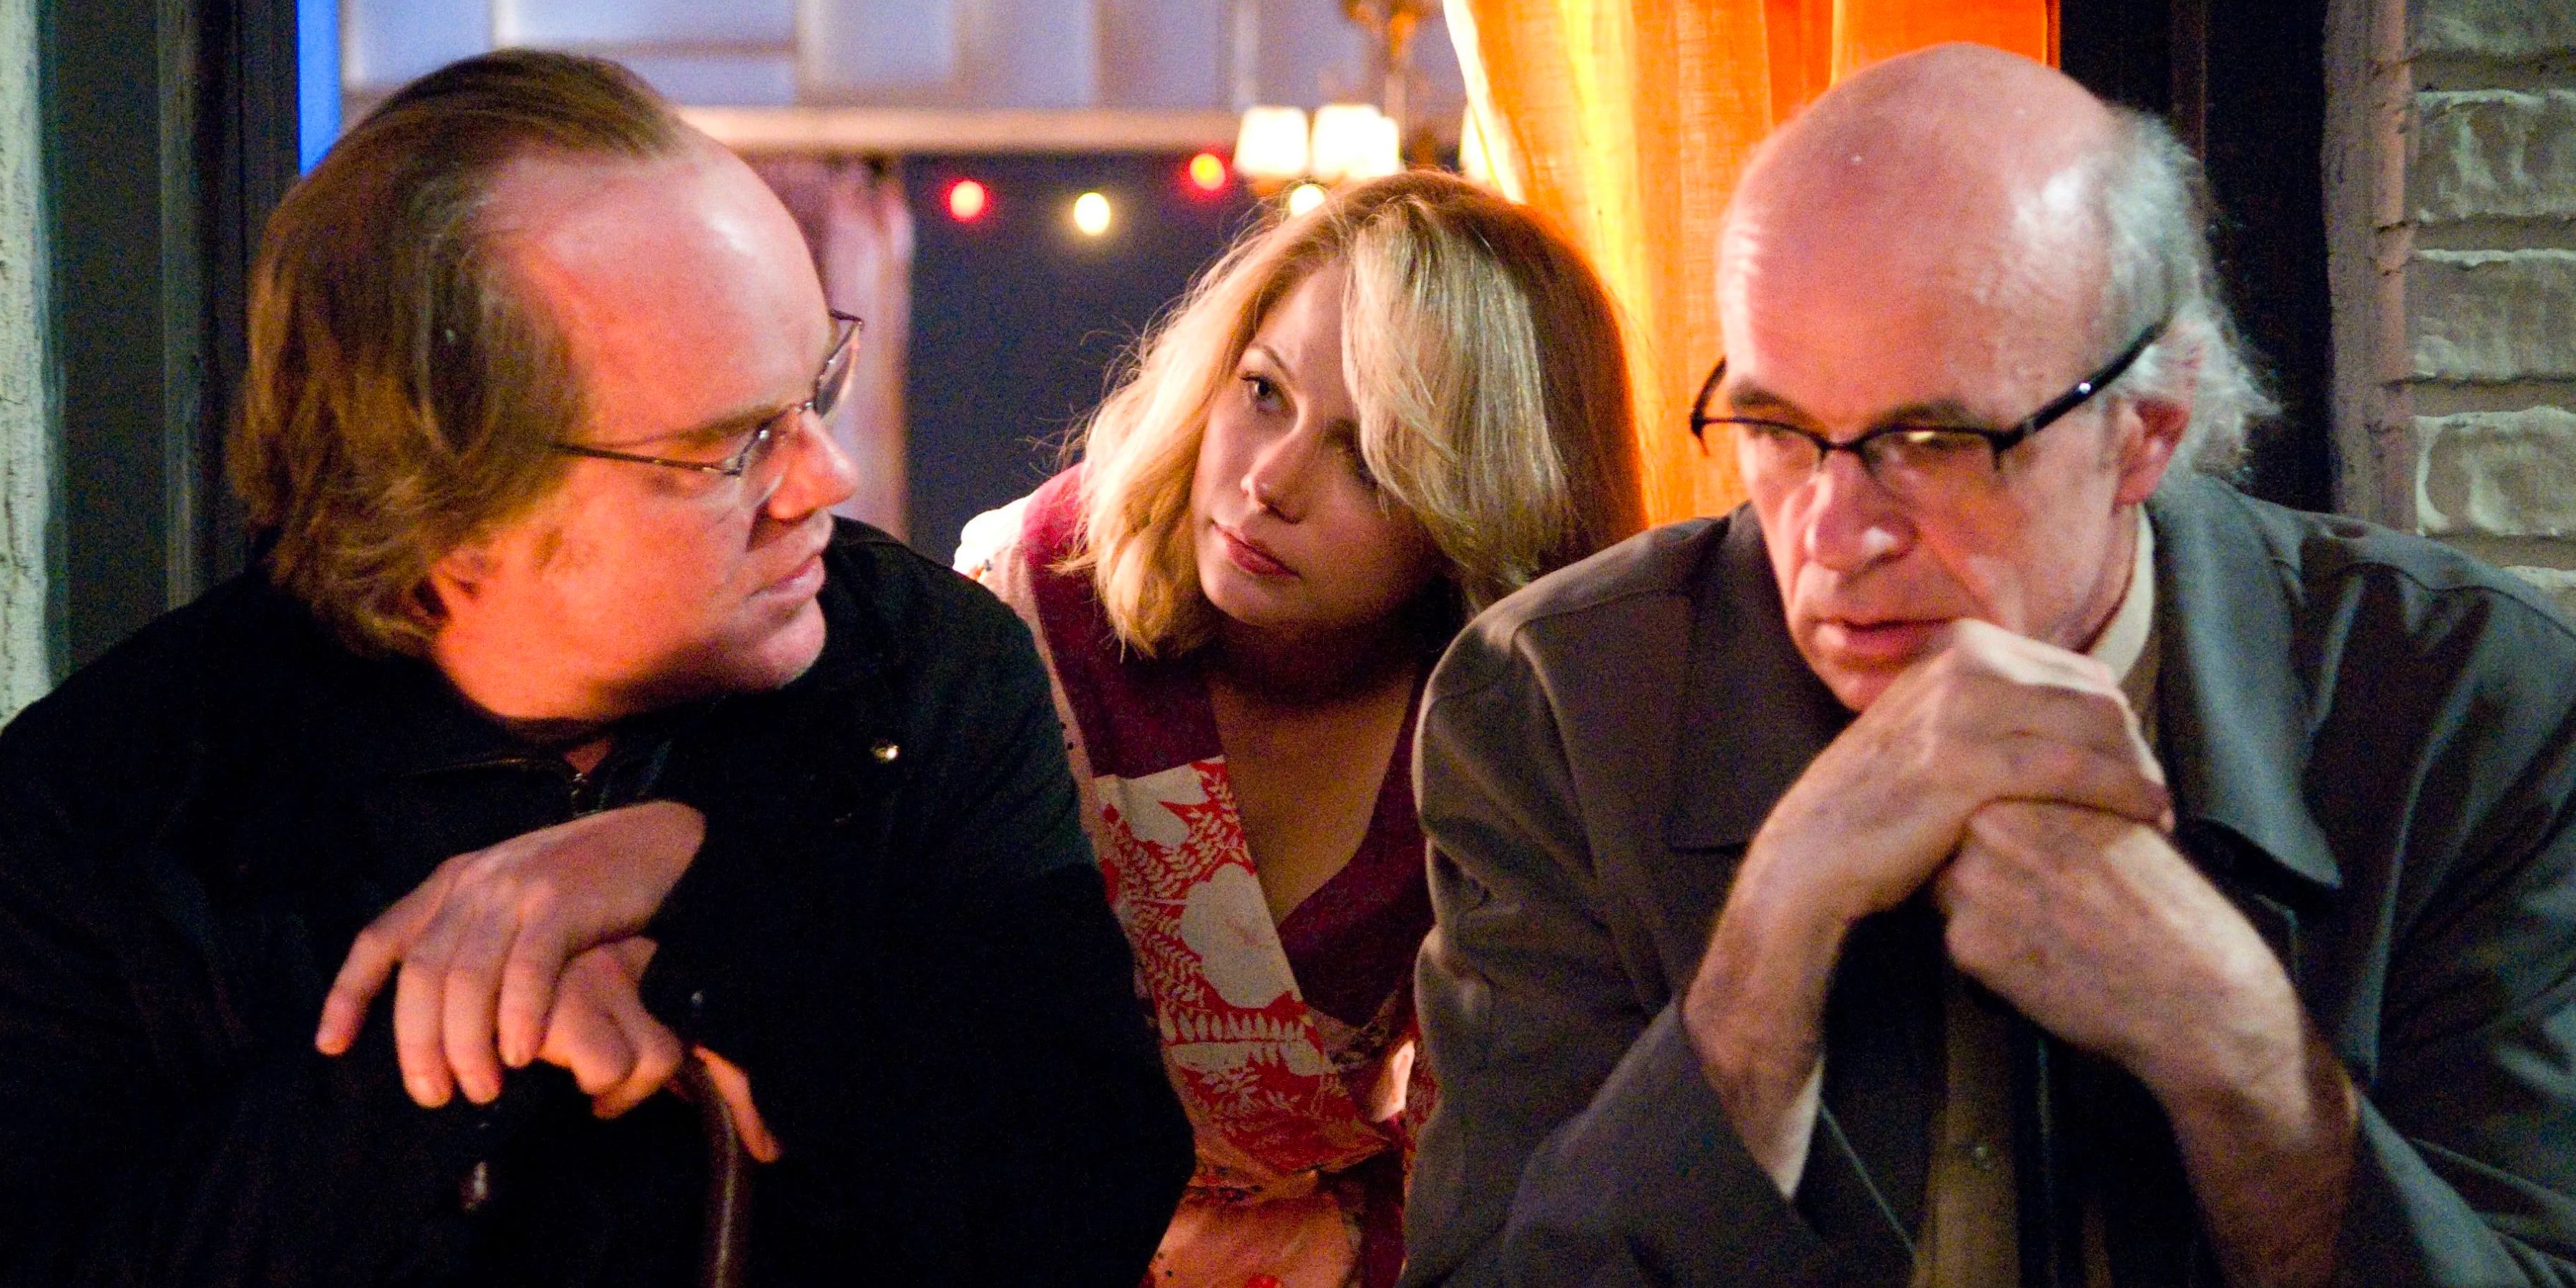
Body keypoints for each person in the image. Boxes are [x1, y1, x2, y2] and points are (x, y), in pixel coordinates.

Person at [0, 50, 1191, 1286]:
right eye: (733, 446)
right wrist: (456, 1057)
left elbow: (1093, 1193)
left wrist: (714, 908)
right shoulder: (115, 805)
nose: (826, 482)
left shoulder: (922, 666)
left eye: (815, 389)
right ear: (449, 510)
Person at [1400, 44, 2576, 1288]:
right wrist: (1768, 946)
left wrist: (2235, 1049)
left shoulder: (2460, 702)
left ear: (2147, 429)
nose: (1833, 538)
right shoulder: (1556, 704)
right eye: (1777, 429)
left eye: (1932, 439)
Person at [955, 170, 1644, 1287]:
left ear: (1487, 507)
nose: (1269, 483)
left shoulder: (1515, 721)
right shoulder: (1031, 600)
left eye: (1373, 460)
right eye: (1264, 392)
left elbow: (1503, 1138)